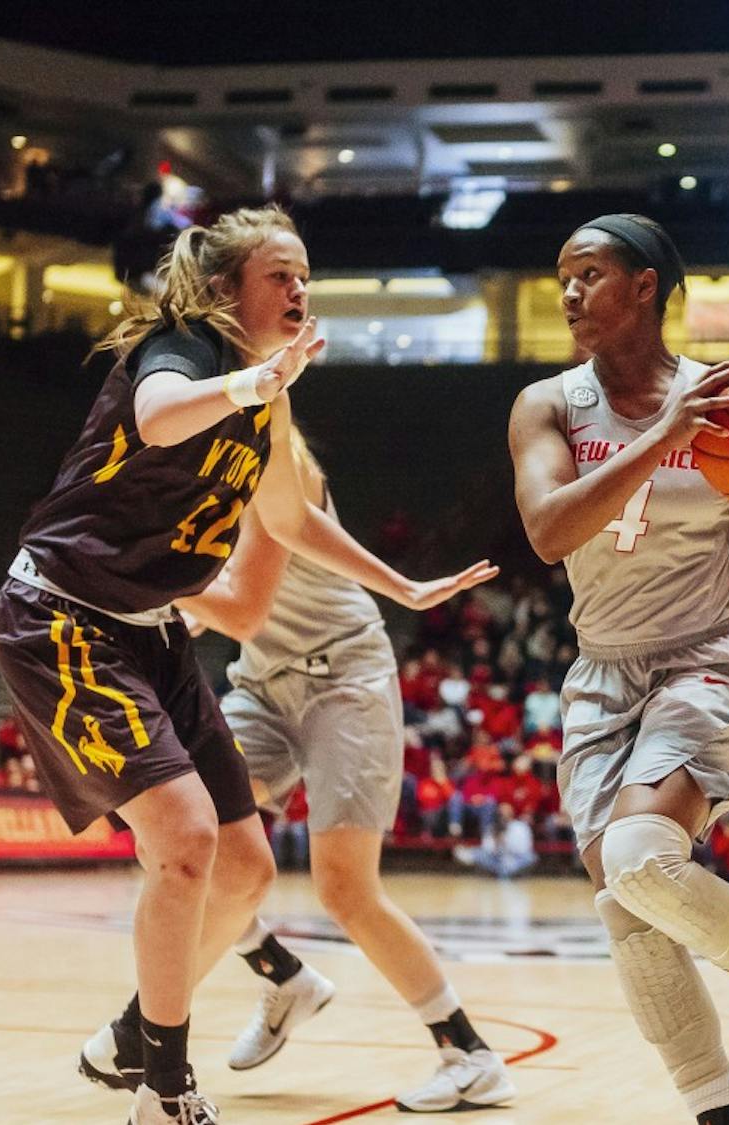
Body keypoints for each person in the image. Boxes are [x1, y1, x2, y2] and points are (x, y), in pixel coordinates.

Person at [0, 205, 470, 1125]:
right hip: (60, 614)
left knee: (245, 867)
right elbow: (158, 417)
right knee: (184, 839)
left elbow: (290, 520)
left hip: (149, 625)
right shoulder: (186, 350)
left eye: (304, 276)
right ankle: (165, 1086)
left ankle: (146, 1051)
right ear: (225, 291)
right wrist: (254, 381)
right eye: (280, 275)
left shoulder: (266, 391)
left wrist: (399, 586)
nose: (300, 290)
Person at [507, 213, 729, 1125]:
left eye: (588, 273)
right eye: (563, 274)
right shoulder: (547, 404)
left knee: (637, 853)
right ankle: (721, 1113)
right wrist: (660, 434)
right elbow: (549, 533)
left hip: (705, 656)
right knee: (629, 910)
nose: (570, 292)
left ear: (646, 288)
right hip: (601, 675)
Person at [172, 428, 512, 1112]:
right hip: (264, 686)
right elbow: (213, 609)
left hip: (344, 679)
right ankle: (281, 973)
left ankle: (470, 1054)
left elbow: (240, 603)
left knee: (345, 888)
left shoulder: (275, 459)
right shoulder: (197, 475)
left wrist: (149, 584)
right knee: (185, 832)